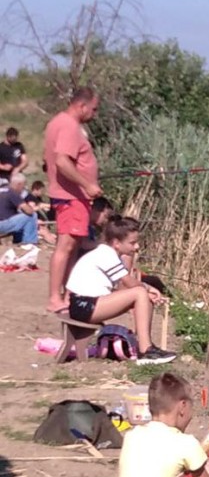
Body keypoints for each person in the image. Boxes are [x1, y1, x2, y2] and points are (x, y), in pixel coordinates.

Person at [65, 215, 176, 364]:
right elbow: (128, 282)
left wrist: (148, 291)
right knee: (139, 292)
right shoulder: (106, 254)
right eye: (132, 243)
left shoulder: (107, 253)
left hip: (85, 303)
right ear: (116, 243)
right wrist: (149, 288)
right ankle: (145, 350)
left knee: (142, 294)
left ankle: (146, 346)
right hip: (84, 305)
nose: (137, 247)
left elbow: (125, 286)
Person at [44, 87, 102, 312]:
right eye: (93, 109)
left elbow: (48, 158)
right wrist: (87, 184)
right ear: (82, 105)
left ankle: (69, 294)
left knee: (73, 245)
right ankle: (54, 299)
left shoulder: (57, 122)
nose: (94, 114)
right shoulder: (69, 126)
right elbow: (62, 161)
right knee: (66, 245)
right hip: (71, 197)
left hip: (70, 195)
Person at [0, 173, 39, 245]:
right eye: (23, 186)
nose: (23, 189)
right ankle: (30, 243)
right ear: (19, 184)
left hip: (3, 222)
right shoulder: (12, 192)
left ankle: (18, 241)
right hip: (2, 224)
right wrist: (31, 207)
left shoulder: (2, 189)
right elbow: (29, 211)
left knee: (20, 218)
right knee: (32, 216)